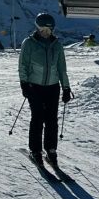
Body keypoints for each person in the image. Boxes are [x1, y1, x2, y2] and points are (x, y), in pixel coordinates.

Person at [18, 13, 72, 167]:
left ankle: (51, 149)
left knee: (51, 120)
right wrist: (24, 83)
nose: (46, 33)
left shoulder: (57, 45)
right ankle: (35, 150)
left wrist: (66, 88)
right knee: (37, 119)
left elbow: (62, 69)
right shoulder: (29, 43)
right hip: (34, 87)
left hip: (53, 88)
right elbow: (23, 65)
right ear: (37, 28)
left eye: (49, 30)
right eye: (43, 30)